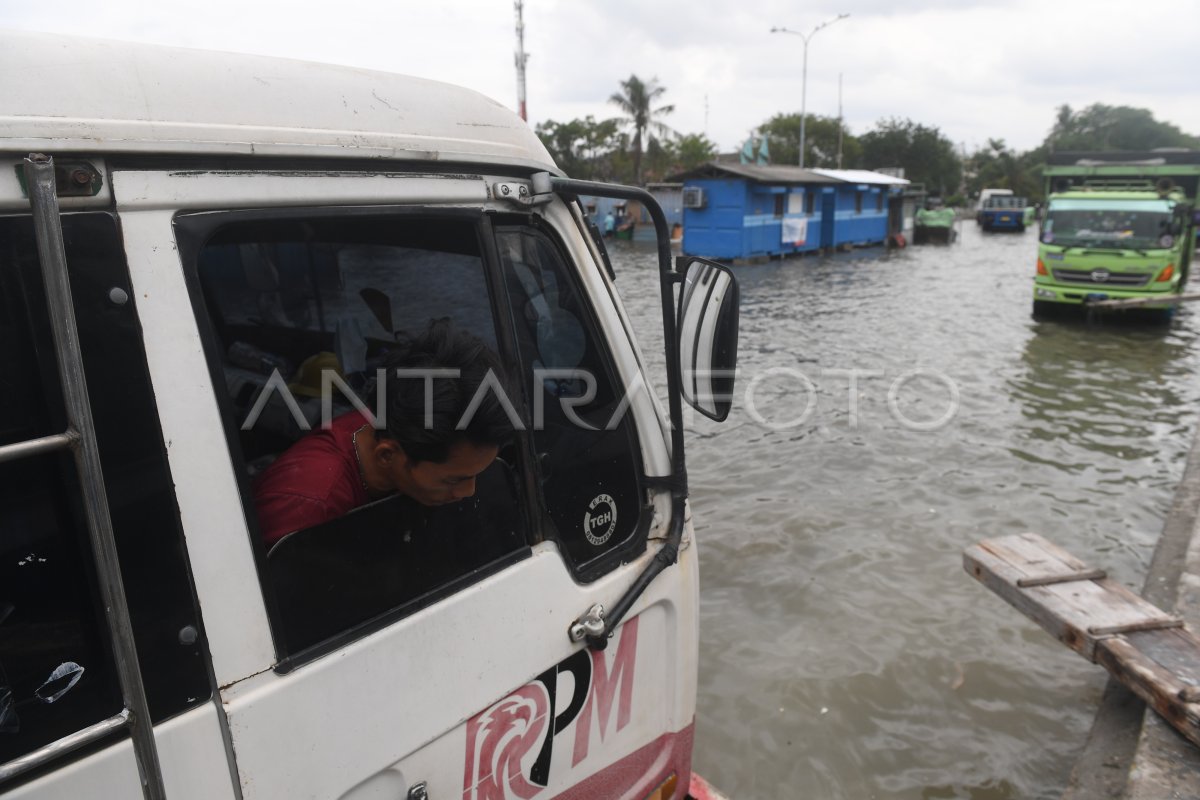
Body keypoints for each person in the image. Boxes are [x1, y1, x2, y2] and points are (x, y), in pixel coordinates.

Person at [253, 320, 517, 548]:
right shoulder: (306, 506)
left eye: (477, 475)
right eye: (453, 481)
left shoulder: (395, 421)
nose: (469, 492)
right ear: (387, 455)